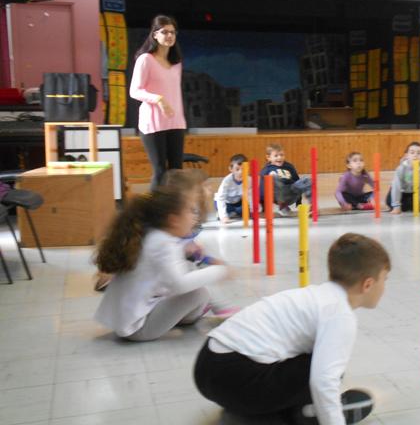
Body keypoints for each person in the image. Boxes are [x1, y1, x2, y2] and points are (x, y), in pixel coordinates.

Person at [193, 233, 389, 425]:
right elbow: (324, 381)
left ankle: (253, 408)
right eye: (384, 279)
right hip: (235, 379)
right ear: (367, 284)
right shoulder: (340, 315)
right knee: (329, 368)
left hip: (205, 366)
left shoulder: (312, 296)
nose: (384, 287)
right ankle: (299, 415)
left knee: (318, 357)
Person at [93, 186, 231, 341]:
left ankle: (189, 315)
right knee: (198, 293)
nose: (195, 216)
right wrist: (220, 271)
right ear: (173, 220)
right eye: (190, 211)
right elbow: (180, 284)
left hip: (128, 320)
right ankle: (193, 316)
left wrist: (184, 251)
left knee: (190, 271)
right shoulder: (162, 242)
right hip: (138, 329)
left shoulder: (153, 235)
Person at [130, 15, 186, 191]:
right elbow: (134, 91)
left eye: (173, 32)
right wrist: (158, 99)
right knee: (160, 172)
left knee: (177, 171)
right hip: (153, 123)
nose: (169, 36)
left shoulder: (176, 63)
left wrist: (180, 118)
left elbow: (175, 93)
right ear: (155, 35)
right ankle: (155, 208)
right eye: (165, 32)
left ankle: (176, 206)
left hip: (176, 122)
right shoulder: (146, 59)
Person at [260, 143, 311, 217]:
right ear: (268, 157)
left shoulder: (289, 166)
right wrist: (264, 208)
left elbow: (297, 181)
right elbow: (262, 189)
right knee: (274, 178)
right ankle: (283, 206)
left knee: (306, 180)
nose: (279, 157)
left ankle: (313, 205)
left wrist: (299, 201)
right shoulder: (266, 170)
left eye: (282, 155)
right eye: (276, 156)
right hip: (277, 195)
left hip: (291, 192)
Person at [386, 142, 420, 214]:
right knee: (389, 201)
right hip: (401, 193)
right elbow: (396, 187)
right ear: (406, 156)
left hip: (414, 193)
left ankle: (408, 206)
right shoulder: (401, 169)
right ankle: (399, 206)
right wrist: (396, 206)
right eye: (412, 153)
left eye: (419, 153)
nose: (415, 155)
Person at [215, 154, 251, 224]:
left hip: (237, 202)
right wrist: (223, 216)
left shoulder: (249, 180)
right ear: (231, 169)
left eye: (243, 169)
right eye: (237, 169)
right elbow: (221, 198)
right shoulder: (227, 181)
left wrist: (256, 213)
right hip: (226, 202)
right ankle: (224, 213)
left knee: (246, 209)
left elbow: (251, 197)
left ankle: (233, 213)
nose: (241, 172)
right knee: (218, 205)